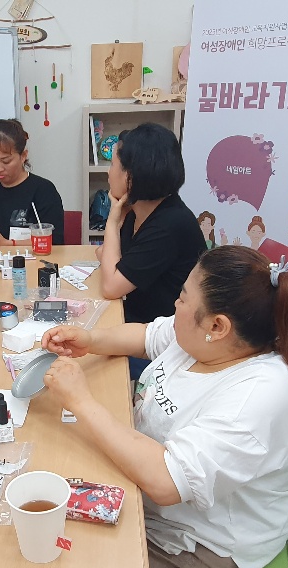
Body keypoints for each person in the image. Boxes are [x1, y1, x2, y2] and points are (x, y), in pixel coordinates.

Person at [40, 245, 288, 568]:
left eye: (183, 297)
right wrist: (90, 340)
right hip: (153, 492)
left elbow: (167, 481)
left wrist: (81, 402)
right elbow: (146, 335)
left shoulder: (257, 398)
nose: (176, 304)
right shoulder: (203, 341)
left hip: (207, 539)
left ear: (217, 326)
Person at [96, 122, 206, 379]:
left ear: (131, 177)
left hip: (166, 343)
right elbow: (104, 255)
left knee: (88, 361)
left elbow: (111, 285)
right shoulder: (140, 210)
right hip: (138, 321)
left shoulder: (169, 224)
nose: (109, 173)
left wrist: (112, 221)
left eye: (113, 165)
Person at [0, 119, 65, 247]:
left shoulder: (43, 190)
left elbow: (54, 242)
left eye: (6, 161)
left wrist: (5, 244)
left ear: (23, 156)